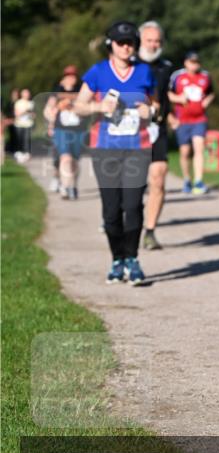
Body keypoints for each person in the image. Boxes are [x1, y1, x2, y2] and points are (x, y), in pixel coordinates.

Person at [74, 21, 155, 285]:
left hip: (137, 148)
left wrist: (151, 112)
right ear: (111, 45)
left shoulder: (144, 72)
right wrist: (99, 106)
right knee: (111, 211)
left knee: (132, 206)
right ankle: (117, 260)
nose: (126, 47)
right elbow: (78, 107)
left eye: (131, 42)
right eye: (121, 42)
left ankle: (133, 259)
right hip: (105, 150)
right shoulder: (97, 72)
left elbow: (155, 106)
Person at [138, 21, 173, 250]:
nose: (154, 45)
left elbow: (166, 97)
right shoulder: (128, 63)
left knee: (158, 177)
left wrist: (170, 116)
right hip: (130, 129)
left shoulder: (166, 67)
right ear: (140, 41)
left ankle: (149, 231)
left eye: (157, 41)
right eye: (149, 40)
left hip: (156, 128)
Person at [168, 52, 215, 196]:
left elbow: (211, 93)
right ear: (185, 63)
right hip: (182, 120)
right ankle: (187, 179)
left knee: (199, 149)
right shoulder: (177, 76)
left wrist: (206, 101)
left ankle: (199, 181)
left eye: (196, 62)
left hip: (199, 119)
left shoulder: (205, 76)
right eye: (191, 62)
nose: (194, 65)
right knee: (185, 152)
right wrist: (178, 98)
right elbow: (167, 94)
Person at [45, 65, 86, 199]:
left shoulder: (81, 89)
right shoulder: (57, 90)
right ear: (64, 77)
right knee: (65, 158)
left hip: (78, 129)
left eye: (73, 76)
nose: (71, 78)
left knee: (75, 161)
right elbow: (49, 109)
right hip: (61, 129)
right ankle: (66, 187)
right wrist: (51, 124)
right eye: (68, 76)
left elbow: (88, 106)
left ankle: (73, 185)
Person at [13, 88, 35, 162]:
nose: (26, 95)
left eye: (28, 93)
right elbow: (16, 114)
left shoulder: (31, 103)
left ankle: (27, 154)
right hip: (19, 124)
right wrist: (25, 111)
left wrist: (31, 114)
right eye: (25, 93)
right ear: (22, 94)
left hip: (28, 124)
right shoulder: (18, 103)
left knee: (27, 140)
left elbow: (34, 115)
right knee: (19, 140)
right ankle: (19, 154)